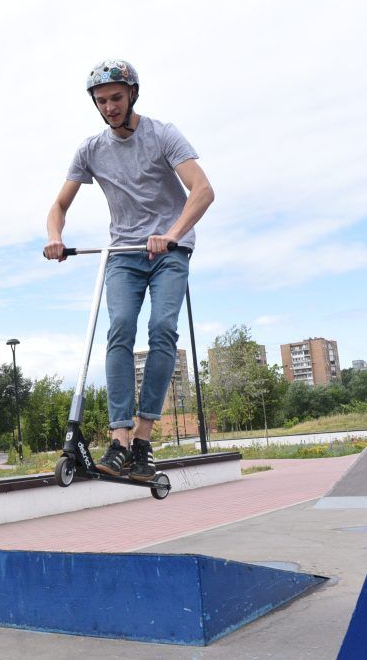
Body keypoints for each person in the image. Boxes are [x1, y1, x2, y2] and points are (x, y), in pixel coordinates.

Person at [44, 59, 214, 480]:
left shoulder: (163, 134)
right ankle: (120, 440)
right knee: (119, 327)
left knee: (162, 330)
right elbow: (59, 206)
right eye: (102, 101)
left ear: (132, 94)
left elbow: (203, 190)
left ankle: (143, 435)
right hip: (123, 253)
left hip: (168, 252)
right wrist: (55, 237)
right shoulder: (91, 149)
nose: (110, 107)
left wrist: (171, 233)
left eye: (116, 98)